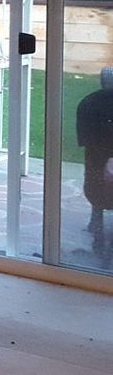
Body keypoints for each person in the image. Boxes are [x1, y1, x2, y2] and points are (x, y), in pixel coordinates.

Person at [76, 67, 113, 257]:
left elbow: (83, 139)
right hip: (98, 155)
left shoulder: (88, 102)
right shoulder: (90, 103)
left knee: (96, 186)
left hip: (96, 156)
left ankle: (97, 226)